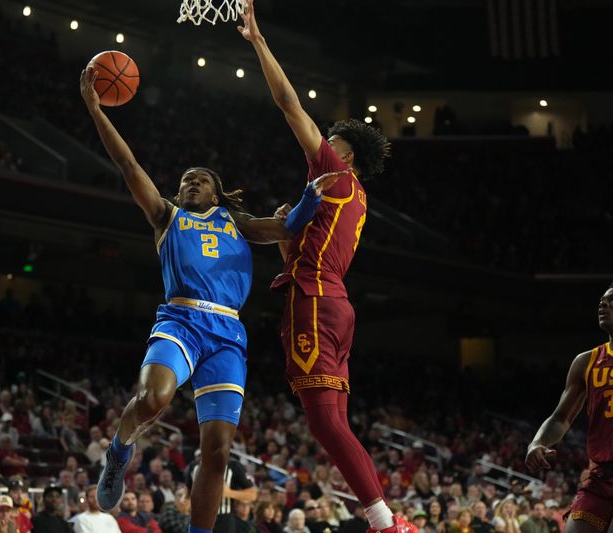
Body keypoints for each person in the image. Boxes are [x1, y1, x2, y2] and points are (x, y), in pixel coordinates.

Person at [80, 63, 342, 533]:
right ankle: (119, 452)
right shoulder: (166, 216)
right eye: (184, 180)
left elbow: (284, 228)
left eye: (199, 179)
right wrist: (96, 110)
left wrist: (309, 198)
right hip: (179, 322)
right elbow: (128, 165)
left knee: (218, 450)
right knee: (154, 397)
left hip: (227, 333)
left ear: (218, 192)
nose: (189, 184)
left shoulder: (235, 222)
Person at [236, 4, 413, 533]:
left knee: (323, 421)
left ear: (347, 155)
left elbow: (289, 105)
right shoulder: (353, 198)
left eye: (332, 141)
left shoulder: (334, 173)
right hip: (334, 302)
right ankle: (386, 519)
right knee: (330, 421)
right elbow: (293, 238)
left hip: (314, 298)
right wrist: (272, 231)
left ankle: (384, 522)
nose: (322, 143)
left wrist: (259, 42)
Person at [525, 284, 613, 533]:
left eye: (612, 301)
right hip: (600, 476)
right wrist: (537, 443)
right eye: (601, 301)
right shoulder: (586, 361)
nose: (602, 304)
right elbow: (560, 418)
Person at [186, 452, 257, 533]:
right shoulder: (193, 466)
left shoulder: (233, 465)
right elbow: (188, 493)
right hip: (198, 518)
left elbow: (253, 494)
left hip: (223, 520)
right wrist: (185, 502)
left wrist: (229, 493)